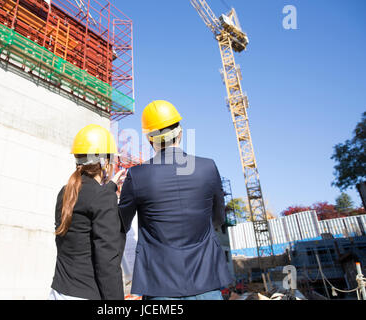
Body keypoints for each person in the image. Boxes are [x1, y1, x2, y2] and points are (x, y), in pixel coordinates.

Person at [118, 100, 234, 300]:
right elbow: (218, 218)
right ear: (180, 133)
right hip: (206, 283)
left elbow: (121, 224)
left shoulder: (137, 175)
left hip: (159, 286)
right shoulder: (208, 168)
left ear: (149, 139)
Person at [50, 124, 126, 300]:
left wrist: (110, 187)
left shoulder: (65, 192)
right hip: (86, 294)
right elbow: (107, 262)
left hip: (59, 291)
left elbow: (89, 200)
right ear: (104, 162)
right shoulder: (102, 198)